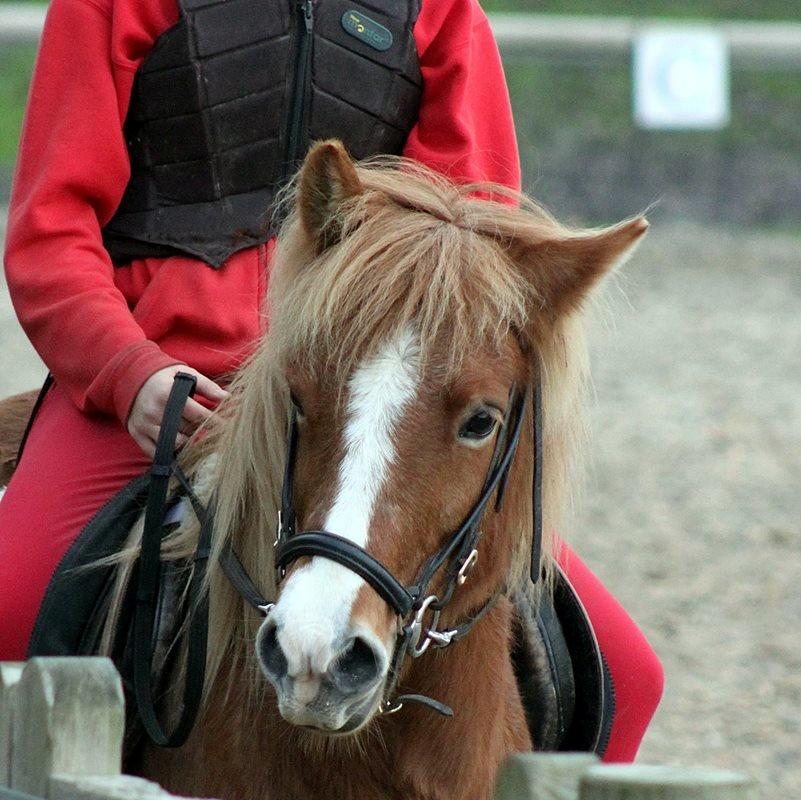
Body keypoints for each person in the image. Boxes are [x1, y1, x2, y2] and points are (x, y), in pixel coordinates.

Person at [0, 0, 662, 761]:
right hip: (164, 394)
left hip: (368, 400)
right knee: (11, 611)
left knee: (626, 678)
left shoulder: (438, 11)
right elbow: (50, 231)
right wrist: (126, 369)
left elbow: (468, 240)